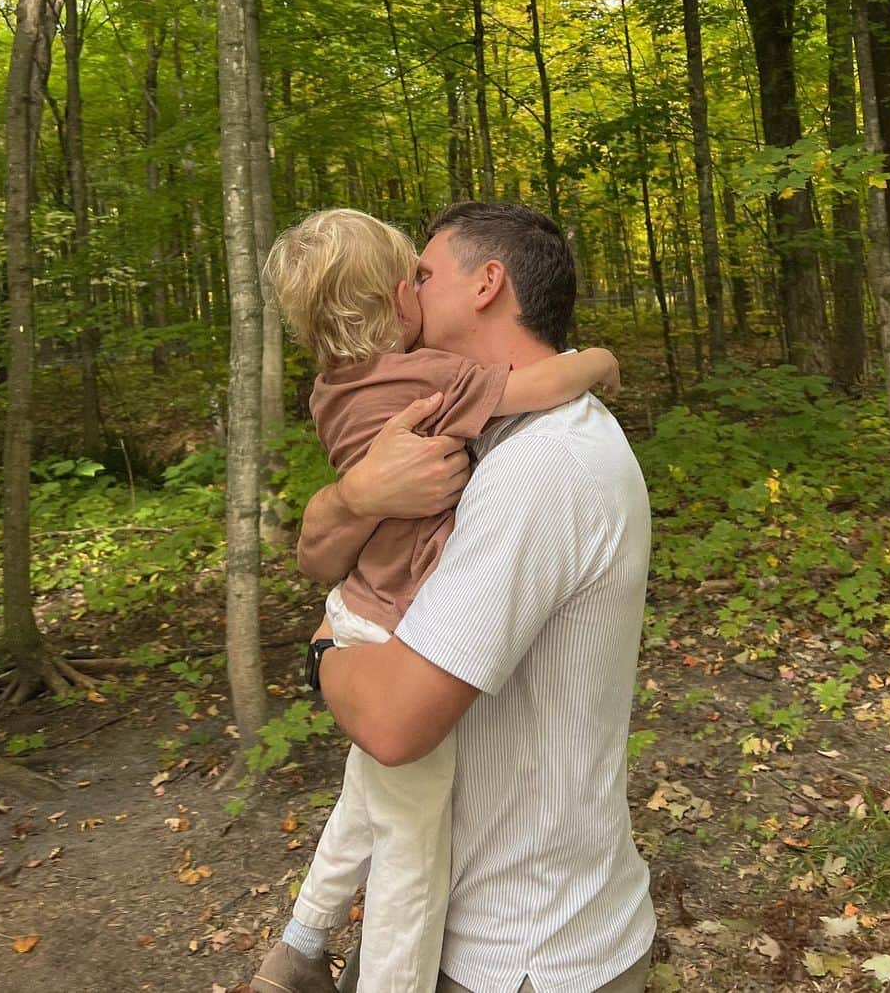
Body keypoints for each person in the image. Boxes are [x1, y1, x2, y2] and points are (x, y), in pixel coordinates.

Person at [251, 207, 622, 993]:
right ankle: (305, 945)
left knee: (387, 816)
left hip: (516, 950)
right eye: (405, 277)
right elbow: (314, 546)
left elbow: (388, 725)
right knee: (391, 821)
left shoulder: (541, 460)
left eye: (425, 273)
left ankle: (304, 943)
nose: (410, 289)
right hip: (483, 925)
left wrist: (324, 654)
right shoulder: (443, 400)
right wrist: (354, 497)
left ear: (488, 284)